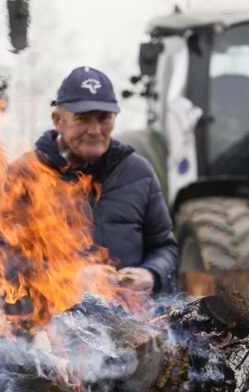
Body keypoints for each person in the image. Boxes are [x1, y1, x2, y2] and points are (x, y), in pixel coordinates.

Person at [33, 66, 178, 294]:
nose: (95, 130)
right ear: (57, 120)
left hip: (130, 323)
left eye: (104, 118)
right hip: (49, 322)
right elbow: (0, 259)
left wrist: (152, 273)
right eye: (83, 118)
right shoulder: (26, 175)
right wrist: (70, 277)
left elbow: (164, 246)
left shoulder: (139, 172)